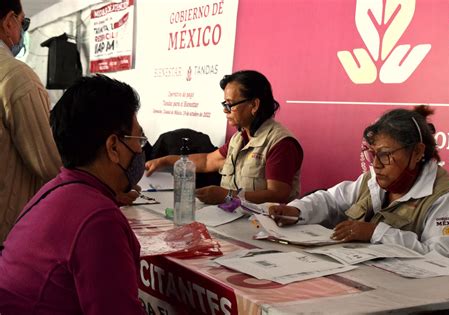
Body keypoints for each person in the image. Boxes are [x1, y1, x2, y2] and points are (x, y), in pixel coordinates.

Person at [0, 75, 146, 314]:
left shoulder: (53, 190)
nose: (141, 150)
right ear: (113, 148)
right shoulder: (99, 219)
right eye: (138, 139)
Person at [269, 106, 449, 261]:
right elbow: (331, 199)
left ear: (417, 152)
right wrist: (297, 210)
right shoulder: (373, 180)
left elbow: (444, 257)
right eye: (373, 154)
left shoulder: (447, 197)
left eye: (385, 155)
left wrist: (376, 232)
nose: (375, 164)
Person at [146, 70, 303, 204]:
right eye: (224, 104)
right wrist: (164, 161)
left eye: (230, 104)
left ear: (254, 105)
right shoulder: (239, 138)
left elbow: (278, 195)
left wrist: (228, 196)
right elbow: (207, 161)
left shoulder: (281, 143)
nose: (225, 110)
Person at [0, 0, 62, 246]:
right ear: (8, 22)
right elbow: (49, 165)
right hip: (8, 234)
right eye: (23, 22)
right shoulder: (17, 77)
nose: (23, 31)